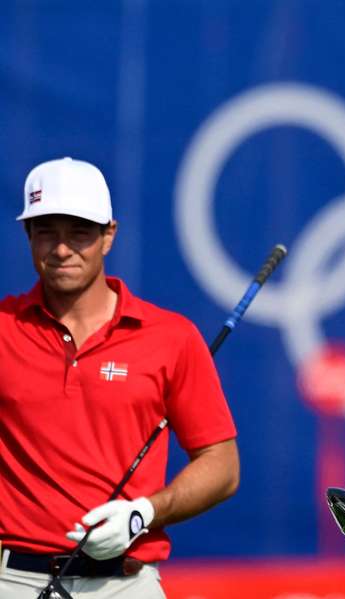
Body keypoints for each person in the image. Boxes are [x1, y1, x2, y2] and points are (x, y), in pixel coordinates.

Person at [0, 157, 240, 598]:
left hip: (123, 584)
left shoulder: (170, 338)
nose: (62, 248)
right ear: (28, 236)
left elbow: (222, 467)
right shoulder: (3, 328)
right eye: (47, 231)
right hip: (10, 580)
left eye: (80, 232)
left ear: (108, 235)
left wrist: (144, 513)